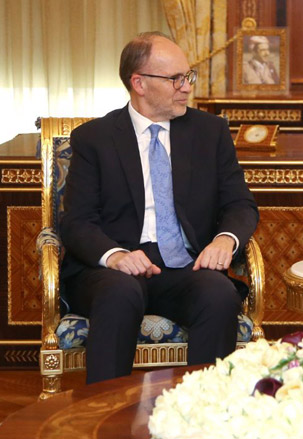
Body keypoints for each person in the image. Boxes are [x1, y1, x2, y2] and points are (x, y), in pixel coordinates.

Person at [60, 32, 260, 384]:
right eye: (175, 79)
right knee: (120, 293)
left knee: (218, 293)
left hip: (184, 264)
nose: (186, 87)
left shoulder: (210, 132)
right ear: (139, 83)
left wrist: (225, 241)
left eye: (188, 77)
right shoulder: (94, 139)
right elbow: (77, 222)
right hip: (114, 270)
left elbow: (240, 204)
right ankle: (106, 420)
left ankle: (202, 415)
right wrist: (116, 255)